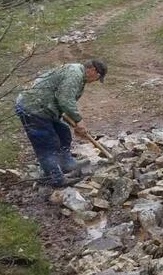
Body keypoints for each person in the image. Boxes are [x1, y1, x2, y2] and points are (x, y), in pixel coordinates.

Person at [16, 59, 107, 187]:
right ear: (92, 69)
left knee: (63, 132)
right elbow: (65, 100)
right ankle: (55, 178)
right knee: (48, 144)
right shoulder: (75, 74)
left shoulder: (79, 76)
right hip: (32, 108)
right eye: (97, 77)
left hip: (46, 108)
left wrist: (75, 126)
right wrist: (78, 120)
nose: (96, 80)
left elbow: (61, 104)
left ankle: (65, 163)